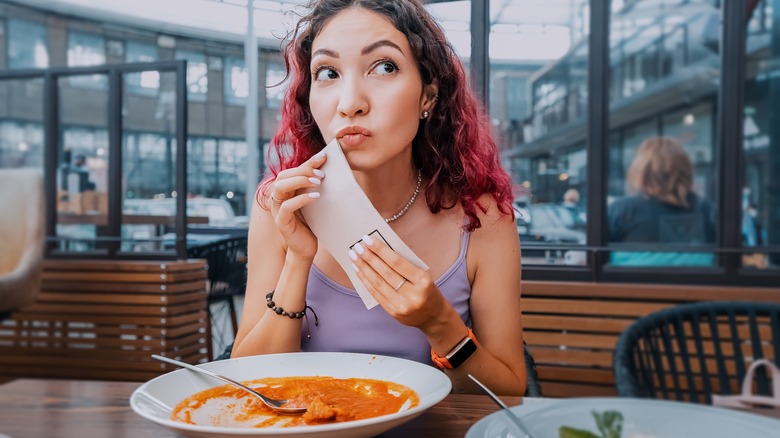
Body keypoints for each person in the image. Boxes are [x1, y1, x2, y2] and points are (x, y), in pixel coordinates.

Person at [232, 0, 526, 395]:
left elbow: (510, 392)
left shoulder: (482, 217)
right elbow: (245, 387)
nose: (350, 103)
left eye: (384, 67)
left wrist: (440, 324)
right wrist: (297, 261)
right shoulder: (280, 207)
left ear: (428, 96)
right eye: (328, 73)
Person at [608, 137, 716, 266]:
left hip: (630, 279)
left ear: (641, 170)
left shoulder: (621, 211)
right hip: (697, 279)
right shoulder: (707, 210)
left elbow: (596, 260)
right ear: (686, 170)